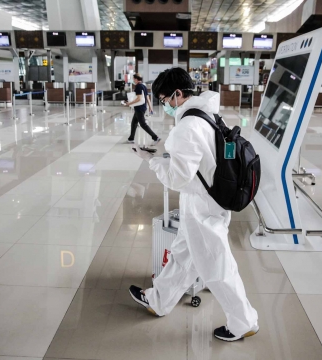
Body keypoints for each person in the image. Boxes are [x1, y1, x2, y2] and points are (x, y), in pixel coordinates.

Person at [128, 68, 259, 342]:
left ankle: (243, 321)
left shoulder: (186, 127)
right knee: (183, 256)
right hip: (208, 199)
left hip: (201, 206)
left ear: (177, 94)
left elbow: (177, 178)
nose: (163, 104)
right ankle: (159, 300)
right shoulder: (206, 115)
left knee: (216, 266)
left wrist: (150, 160)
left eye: (164, 98)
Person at [125, 73, 160, 145]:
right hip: (142, 107)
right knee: (134, 122)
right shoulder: (143, 86)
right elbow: (147, 98)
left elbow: (139, 98)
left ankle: (155, 137)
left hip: (139, 108)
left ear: (136, 79)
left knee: (143, 124)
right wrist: (150, 107)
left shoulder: (138, 87)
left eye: (134, 78)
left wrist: (129, 103)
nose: (133, 80)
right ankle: (131, 138)